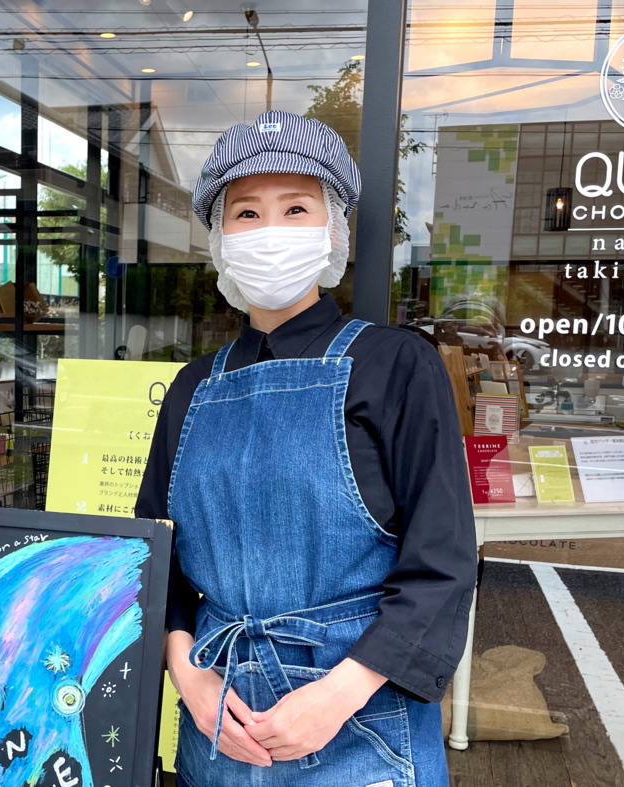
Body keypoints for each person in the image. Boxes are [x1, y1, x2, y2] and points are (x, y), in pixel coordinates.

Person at [135, 110, 477, 786]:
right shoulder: (191, 388)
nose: (271, 232)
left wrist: (335, 695)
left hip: (361, 723)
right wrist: (187, 675)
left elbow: (441, 563)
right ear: (220, 237)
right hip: (218, 725)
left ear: (333, 231)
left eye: (296, 208)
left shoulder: (396, 366)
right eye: (248, 213)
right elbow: (155, 556)